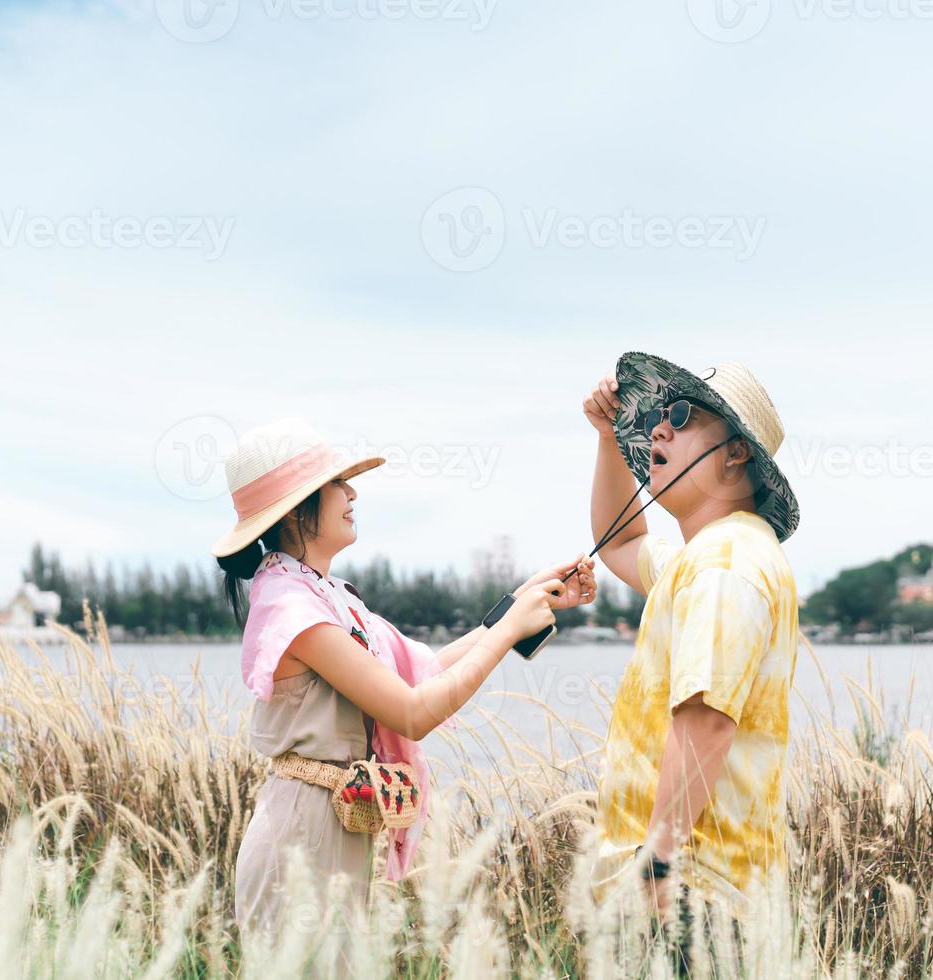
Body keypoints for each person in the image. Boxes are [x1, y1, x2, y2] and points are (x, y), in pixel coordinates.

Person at [211, 416, 596, 951]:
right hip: (300, 839)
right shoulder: (293, 609)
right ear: (296, 509)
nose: (351, 492)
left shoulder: (323, 596)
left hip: (331, 823)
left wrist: (522, 601)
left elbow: (425, 671)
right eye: (335, 484)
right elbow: (414, 711)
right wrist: (510, 626)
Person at [580, 352, 802, 953]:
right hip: (694, 884)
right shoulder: (705, 558)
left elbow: (707, 718)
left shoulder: (725, 564)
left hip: (694, 891)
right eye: (658, 415)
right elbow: (620, 540)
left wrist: (657, 865)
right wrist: (606, 440)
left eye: (681, 414)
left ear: (737, 453)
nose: (658, 427)